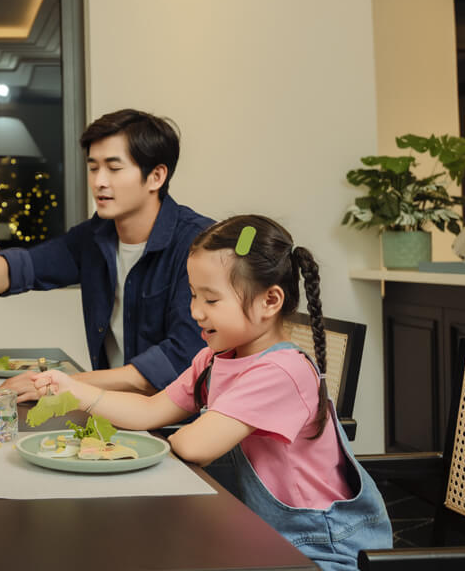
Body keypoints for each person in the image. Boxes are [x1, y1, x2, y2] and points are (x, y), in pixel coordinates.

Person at [31, 215, 392, 571]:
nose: (195, 312)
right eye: (193, 295)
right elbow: (149, 410)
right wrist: (74, 390)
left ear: (270, 301)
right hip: (260, 534)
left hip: (317, 551)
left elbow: (195, 446)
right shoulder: (213, 360)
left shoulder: (282, 371)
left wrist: (176, 433)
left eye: (211, 300)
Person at [0, 109, 212, 399]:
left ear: (156, 176)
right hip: (115, 412)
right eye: (93, 167)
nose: (99, 181)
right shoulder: (95, 237)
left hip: (181, 424)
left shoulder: (198, 245)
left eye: (114, 168)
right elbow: (20, 268)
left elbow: (179, 361)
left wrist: (58, 384)